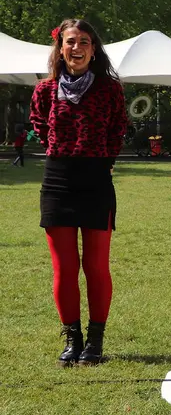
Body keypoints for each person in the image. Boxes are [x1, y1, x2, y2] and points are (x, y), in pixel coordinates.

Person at [28, 19, 128, 367]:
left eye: (84, 41)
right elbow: (40, 126)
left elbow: (118, 128)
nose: (77, 48)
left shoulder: (110, 89)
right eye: (71, 41)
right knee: (65, 268)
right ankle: (73, 339)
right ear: (61, 48)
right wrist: (63, 149)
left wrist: (105, 159)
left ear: (93, 49)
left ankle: (96, 340)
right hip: (58, 181)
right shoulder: (44, 90)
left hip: (97, 180)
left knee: (96, 266)